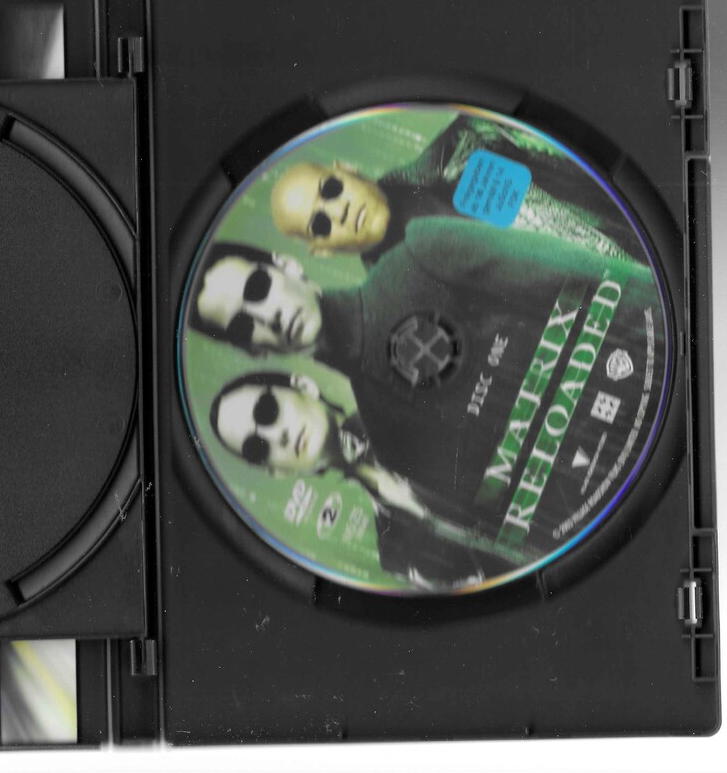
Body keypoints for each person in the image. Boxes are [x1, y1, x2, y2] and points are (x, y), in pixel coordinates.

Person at [185, 221, 661, 547]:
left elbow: (610, 284)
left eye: (256, 288)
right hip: (643, 505)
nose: (266, 316)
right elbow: (536, 524)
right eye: (243, 325)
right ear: (255, 351)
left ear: (285, 266)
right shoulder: (390, 443)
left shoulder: (421, 254)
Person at [207, 371, 521, 588]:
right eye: (258, 447)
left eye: (267, 410)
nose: (278, 435)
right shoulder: (394, 554)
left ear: (303, 385)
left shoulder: (414, 394)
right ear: (279, 470)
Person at [268, 113, 641, 265]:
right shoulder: (404, 321)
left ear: (347, 170)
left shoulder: (474, 137)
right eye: (319, 224)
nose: (339, 211)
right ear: (322, 250)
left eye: (330, 189)